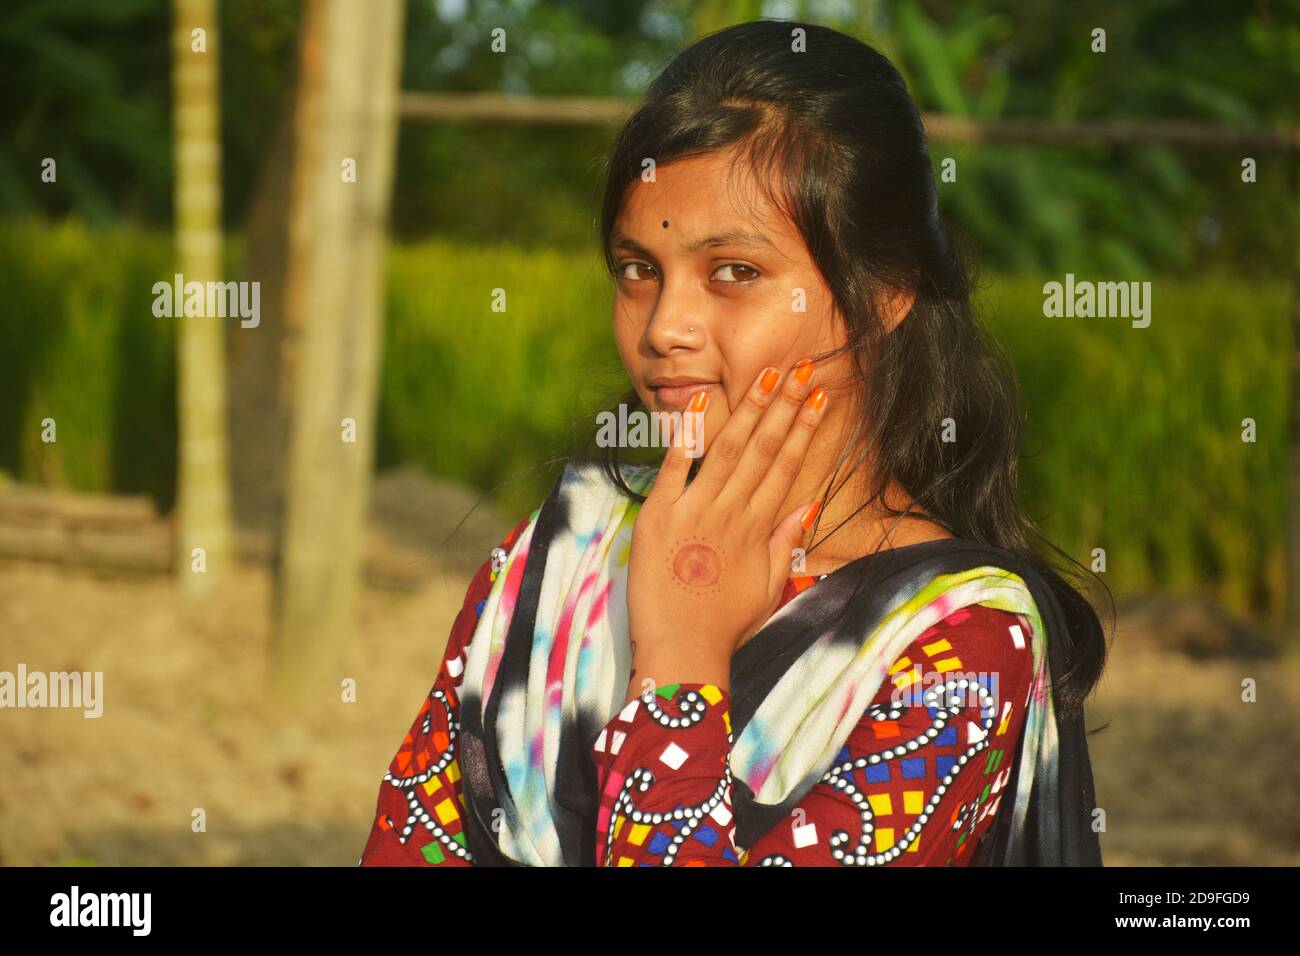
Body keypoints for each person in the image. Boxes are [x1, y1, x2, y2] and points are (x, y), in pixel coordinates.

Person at [360, 19, 1110, 867]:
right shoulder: (551, 563)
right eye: (638, 270)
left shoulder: (960, 646)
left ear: (886, 293)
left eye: (734, 274)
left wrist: (680, 664)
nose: (665, 327)